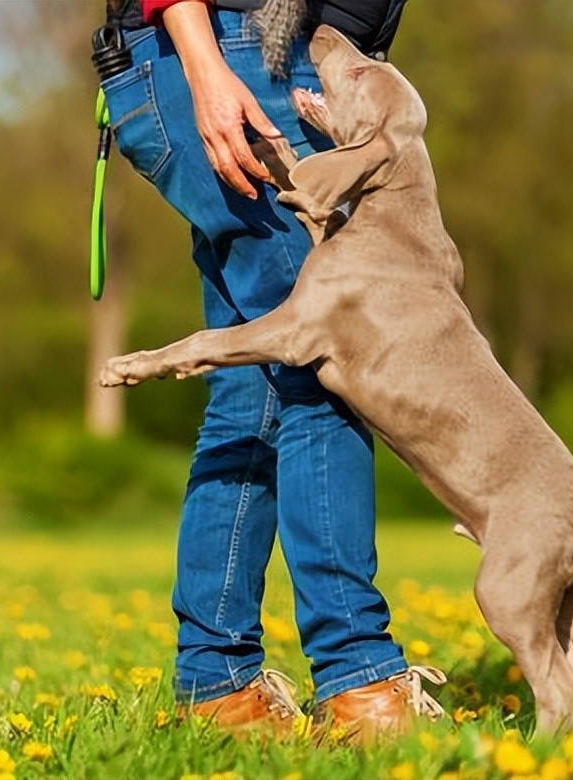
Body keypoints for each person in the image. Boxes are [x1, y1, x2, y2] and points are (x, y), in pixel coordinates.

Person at [99, 0, 440, 744]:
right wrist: (206, 69)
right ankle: (360, 683)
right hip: (227, 56)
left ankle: (220, 691)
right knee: (327, 362)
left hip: (235, 62)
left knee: (254, 393)